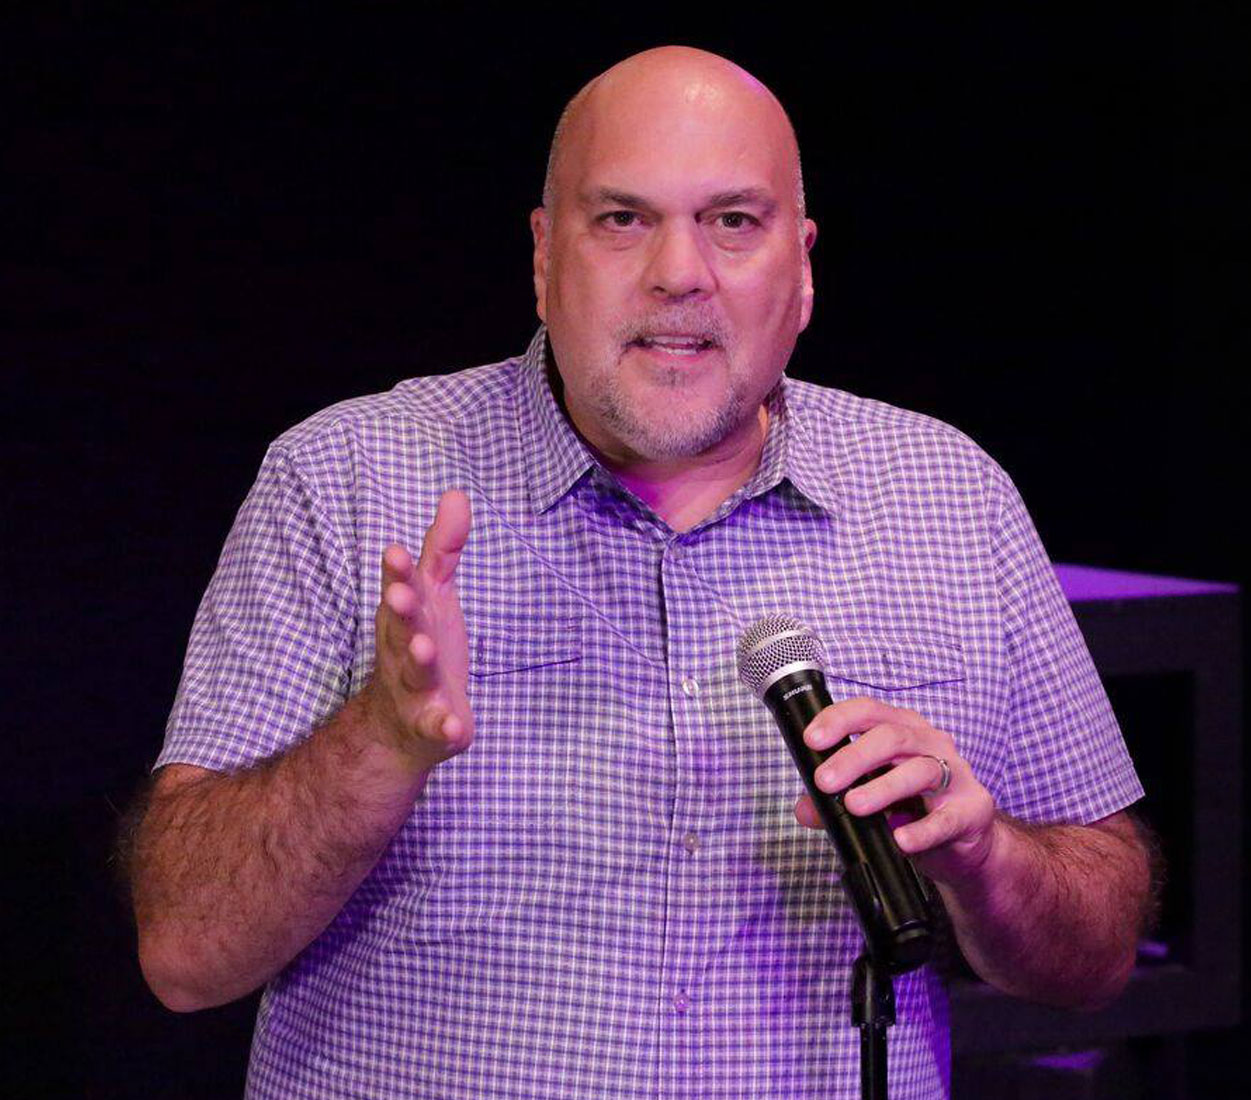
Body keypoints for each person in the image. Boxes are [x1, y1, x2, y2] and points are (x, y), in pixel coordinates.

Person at [124, 46, 1156, 1098]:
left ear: (802, 267)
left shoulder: (949, 495)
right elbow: (185, 952)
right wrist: (381, 742)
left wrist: (983, 857)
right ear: (543, 258)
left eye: (733, 221)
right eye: (623, 218)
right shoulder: (347, 478)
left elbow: (1099, 950)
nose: (679, 272)